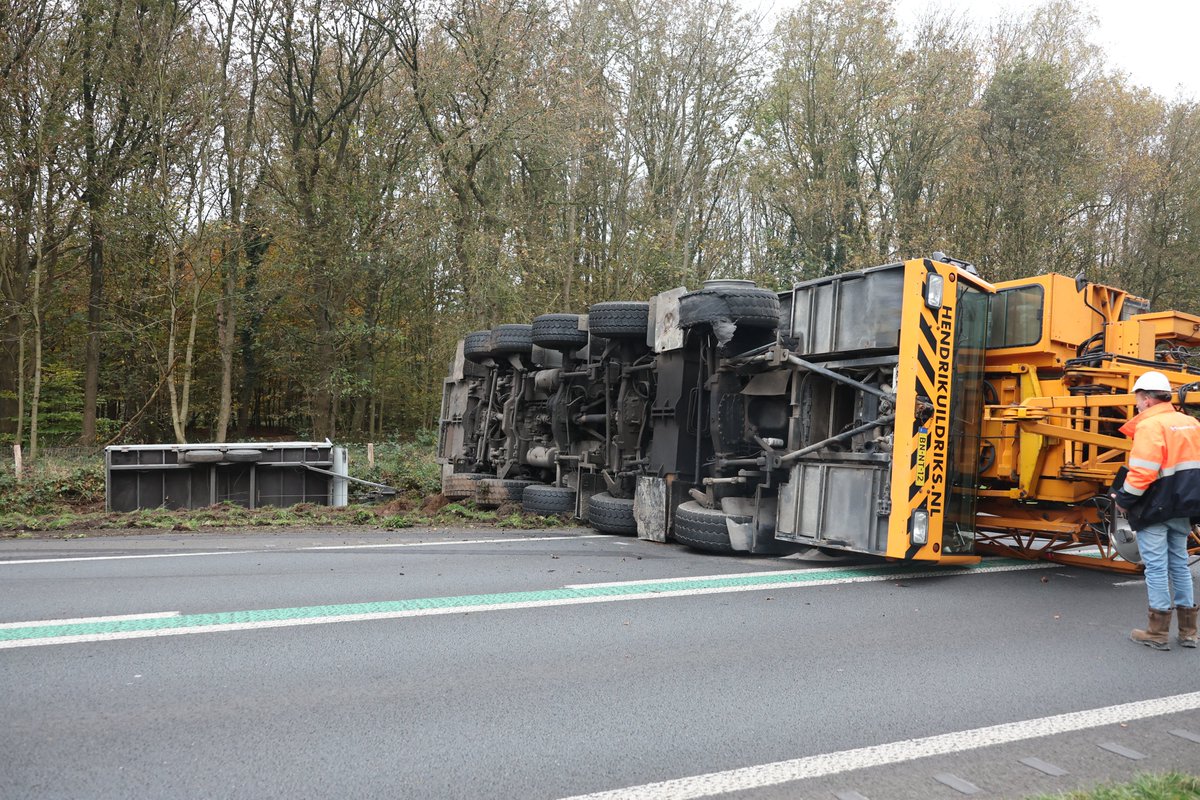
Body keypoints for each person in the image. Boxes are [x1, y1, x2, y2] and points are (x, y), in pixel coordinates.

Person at [1113, 370, 1200, 650]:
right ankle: (1188, 632)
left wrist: (1124, 499)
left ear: (1148, 399)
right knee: (1179, 564)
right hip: (1184, 505)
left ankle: (1157, 632)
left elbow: (1142, 472)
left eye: (1138, 400)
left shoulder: (1150, 426)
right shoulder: (1191, 423)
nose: (1137, 406)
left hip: (1155, 506)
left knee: (1156, 568)